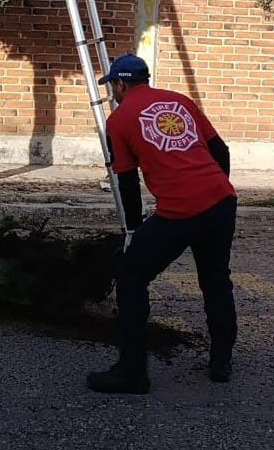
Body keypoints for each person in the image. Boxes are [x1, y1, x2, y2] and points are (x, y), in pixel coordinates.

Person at [86, 54, 237, 394]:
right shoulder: (181, 101)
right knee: (215, 280)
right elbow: (221, 152)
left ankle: (132, 373)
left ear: (120, 84)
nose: (114, 92)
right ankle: (221, 363)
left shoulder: (118, 120)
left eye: (113, 86)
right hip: (221, 201)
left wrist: (133, 229)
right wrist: (210, 189)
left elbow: (126, 181)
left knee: (131, 279)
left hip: (178, 211)